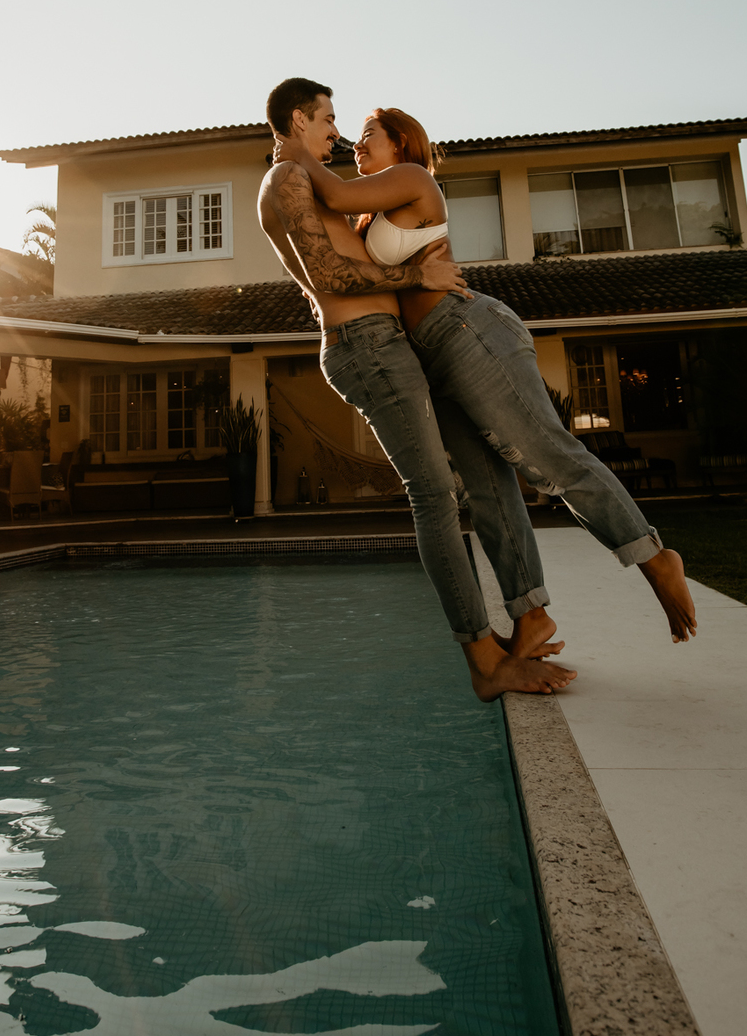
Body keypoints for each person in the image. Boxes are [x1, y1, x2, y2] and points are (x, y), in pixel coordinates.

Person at [278, 101, 698, 649]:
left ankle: (652, 556)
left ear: (402, 143)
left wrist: (293, 152)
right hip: (429, 358)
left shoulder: (411, 178)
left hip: (467, 332)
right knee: (486, 491)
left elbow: (329, 192)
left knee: (545, 452)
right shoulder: (370, 214)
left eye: (367, 134)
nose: (355, 145)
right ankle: (529, 615)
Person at [259, 77, 576, 700]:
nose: (336, 131)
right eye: (327, 119)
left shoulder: (311, 182)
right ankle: (484, 661)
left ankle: (526, 615)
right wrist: (416, 270)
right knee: (433, 497)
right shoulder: (285, 181)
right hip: (365, 346)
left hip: (385, 343)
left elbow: (354, 241)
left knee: (476, 475)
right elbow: (326, 272)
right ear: (299, 119)